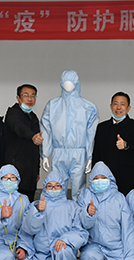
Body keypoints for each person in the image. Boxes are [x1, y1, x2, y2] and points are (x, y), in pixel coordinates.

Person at [24, 171, 89, 260]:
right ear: (45, 188)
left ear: (62, 187)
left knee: (63, 250)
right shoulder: (35, 206)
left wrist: (65, 239)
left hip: (63, 250)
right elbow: (28, 230)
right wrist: (37, 212)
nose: (53, 189)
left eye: (57, 186)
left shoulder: (72, 207)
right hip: (43, 254)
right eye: (50, 186)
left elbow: (81, 232)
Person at [77, 162, 134, 260]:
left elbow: (128, 229)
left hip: (115, 247)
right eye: (96, 178)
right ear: (91, 180)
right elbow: (80, 224)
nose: (100, 181)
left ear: (110, 179)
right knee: (89, 256)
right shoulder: (85, 195)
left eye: (103, 178)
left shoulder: (119, 198)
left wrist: (131, 257)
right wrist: (88, 214)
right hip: (94, 244)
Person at [41, 70, 99, 199]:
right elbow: (46, 129)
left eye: (71, 82)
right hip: (59, 151)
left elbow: (91, 134)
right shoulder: (52, 105)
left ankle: (79, 211)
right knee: (57, 188)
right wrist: (45, 154)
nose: (68, 85)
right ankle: (58, 210)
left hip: (79, 153)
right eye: (65, 82)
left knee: (79, 191)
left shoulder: (88, 107)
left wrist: (89, 156)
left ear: (77, 83)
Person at [92, 92, 134, 195]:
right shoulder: (102, 127)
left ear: (128, 108)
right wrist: (95, 173)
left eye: (122, 104)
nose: (118, 107)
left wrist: (125, 145)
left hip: (127, 177)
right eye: (115, 104)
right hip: (104, 177)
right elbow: (96, 153)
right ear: (111, 106)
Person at [4, 84, 43, 201]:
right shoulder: (12, 113)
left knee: (28, 205)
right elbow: (20, 127)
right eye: (26, 95)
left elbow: (36, 148)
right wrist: (32, 136)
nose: (30, 99)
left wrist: (36, 171)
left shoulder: (34, 117)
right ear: (18, 98)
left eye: (33, 96)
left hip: (30, 175)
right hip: (14, 173)